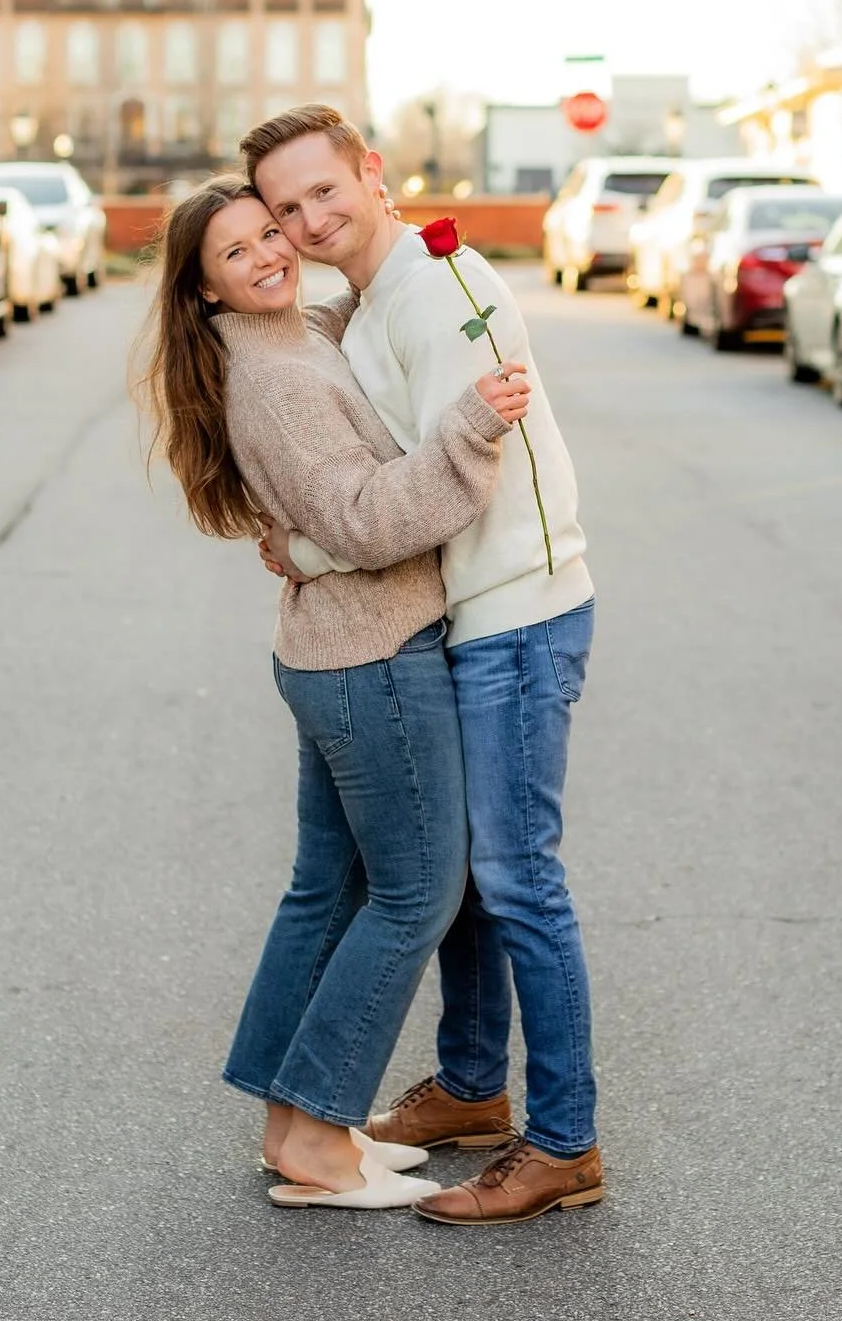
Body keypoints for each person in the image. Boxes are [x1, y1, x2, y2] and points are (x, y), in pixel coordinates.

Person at [133, 174, 533, 1211]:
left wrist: (382, 250)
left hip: (334, 651)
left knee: (329, 891)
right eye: (236, 252)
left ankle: (290, 1124)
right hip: (373, 657)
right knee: (416, 895)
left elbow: (348, 327)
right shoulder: (274, 378)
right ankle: (318, 1135)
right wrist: (468, 428)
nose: (271, 253)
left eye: (269, 232)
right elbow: (361, 518)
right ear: (204, 289)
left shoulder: (287, 336)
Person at [242, 106, 604, 1227]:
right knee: (467, 881)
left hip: (516, 612)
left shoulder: (441, 290)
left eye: (324, 190)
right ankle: (471, 1085)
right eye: (287, 207)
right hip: (461, 614)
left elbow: (452, 480)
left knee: (518, 880)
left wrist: (306, 548)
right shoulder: (363, 305)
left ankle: (565, 1144)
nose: (309, 220)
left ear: (372, 172)